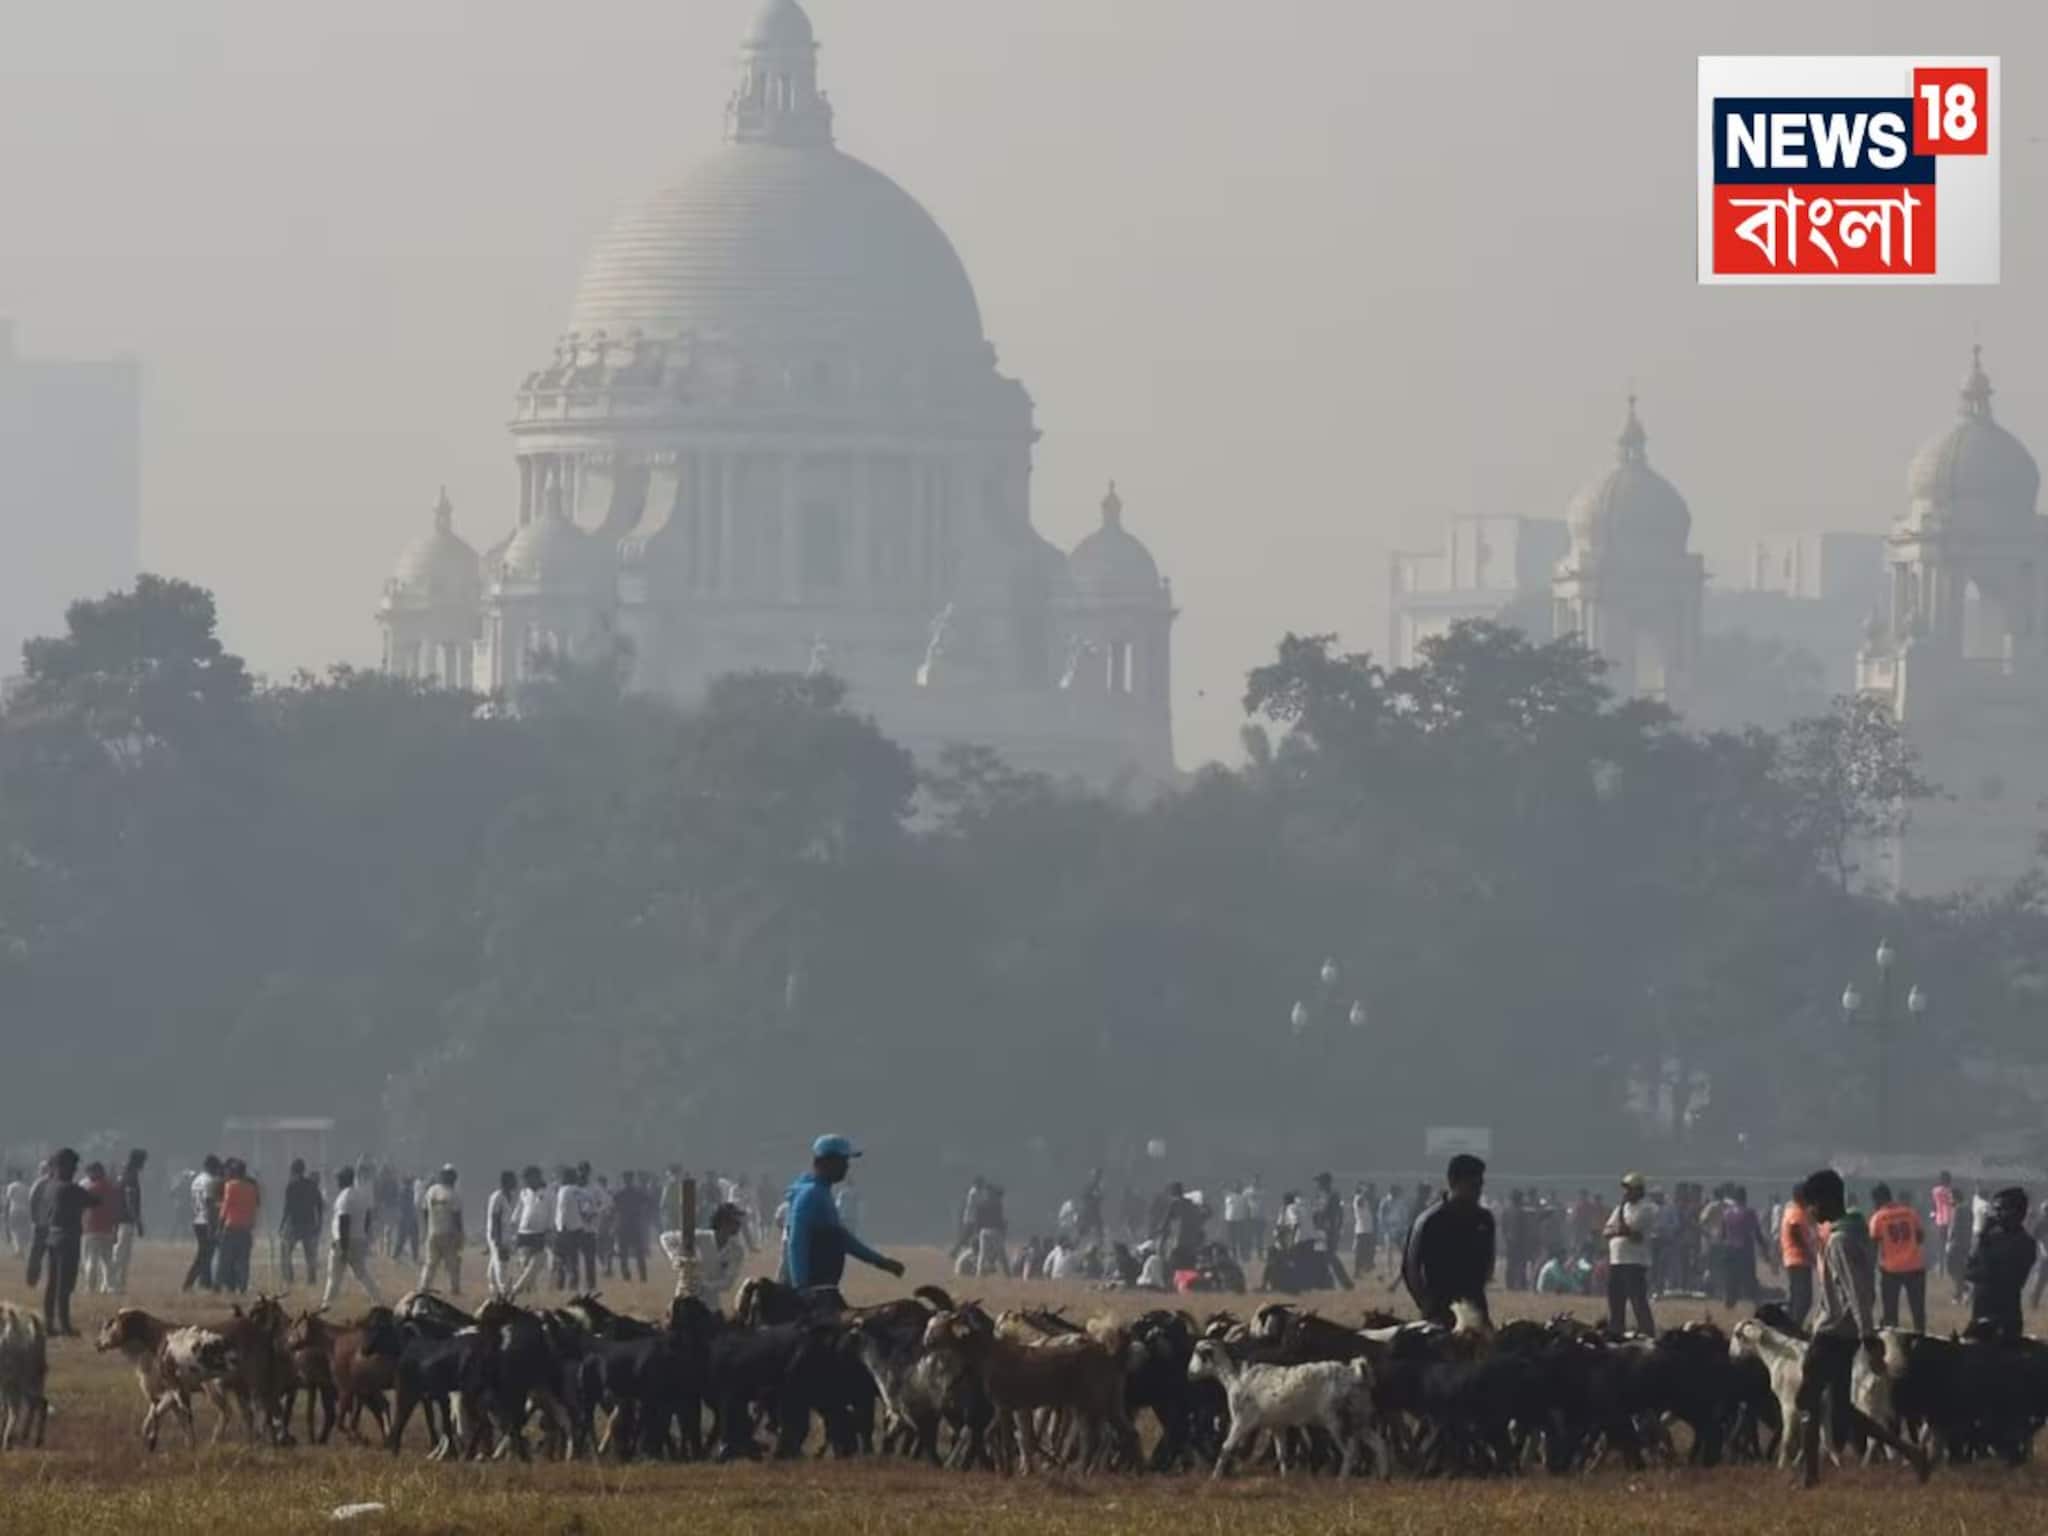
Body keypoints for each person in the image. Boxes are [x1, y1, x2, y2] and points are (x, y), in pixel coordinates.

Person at [1794, 1168, 1930, 1487]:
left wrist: (1868, 1335)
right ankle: (1911, 1453)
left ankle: (1809, 1475)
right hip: (1847, 1333)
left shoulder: (1839, 1241)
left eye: (1812, 1204)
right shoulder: (1857, 1231)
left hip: (1832, 1331)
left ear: (1826, 1201)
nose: (1810, 1211)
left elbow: (1855, 1291)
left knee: (1806, 1399)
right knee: (1841, 1407)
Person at [783, 1135, 905, 1292]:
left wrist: (881, 1262)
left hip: (821, 1286)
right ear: (826, 1162)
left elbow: (841, 1237)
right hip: (810, 1290)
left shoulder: (822, 1192)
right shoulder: (811, 1195)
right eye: (842, 1161)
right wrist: (801, 1287)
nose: (847, 1166)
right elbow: (797, 1240)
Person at [1402, 1154, 1495, 1325]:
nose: (1478, 1190)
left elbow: (1489, 1263)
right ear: (1454, 1182)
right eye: (1473, 1185)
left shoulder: (1485, 1220)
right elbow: (1411, 1268)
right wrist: (1427, 1305)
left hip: (1475, 1310)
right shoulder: (1430, 1221)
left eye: (1480, 1185)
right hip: (1438, 1312)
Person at [1966, 1186, 2038, 1341]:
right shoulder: (1990, 1238)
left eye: (2000, 1209)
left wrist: (1984, 1242)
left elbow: (2004, 1279)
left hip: (2005, 1320)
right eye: (1995, 1209)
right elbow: (1969, 1271)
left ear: (2017, 1212)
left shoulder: (2025, 1244)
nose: (1996, 1214)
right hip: (1981, 1314)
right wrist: (1982, 1237)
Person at [41, 1148, 97, 1335]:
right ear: (64, 1166)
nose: (74, 1170)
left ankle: (49, 1323)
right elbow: (94, 1200)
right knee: (65, 1285)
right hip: (68, 1239)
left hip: (52, 1237)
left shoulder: (49, 1186)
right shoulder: (70, 1189)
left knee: (52, 1283)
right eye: (73, 1166)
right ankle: (64, 1325)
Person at [662, 1200, 748, 1309]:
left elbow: (727, 1283)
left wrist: (704, 1287)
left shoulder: (737, 1251)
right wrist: (678, 1258)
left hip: (710, 1303)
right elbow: (666, 1238)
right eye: (733, 1221)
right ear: (722, 1221)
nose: (738, 1225)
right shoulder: (701, 1237)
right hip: (685, 1296)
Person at [322, 1165, 386, 1307]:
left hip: (343, 1240)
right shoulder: (360, 1195)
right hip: (358, 1238)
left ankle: (326, 1305)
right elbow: (368, 1217)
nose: (336, 1181)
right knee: (362, 1273)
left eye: (338, 1178)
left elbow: (344, 1221)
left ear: (343, 1179)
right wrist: (365, 1235)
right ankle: (378, 1299)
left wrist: (343, 1247)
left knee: (334, 1276)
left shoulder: (344, 1197)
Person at [1870, 1182, 1928, 1332]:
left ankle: (1894, 1340)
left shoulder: (1878, 1218)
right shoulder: (1910, 1212)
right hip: (1915, 1266)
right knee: (1918, 1311)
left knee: (1890, 1313)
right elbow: (1921, 1237)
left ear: (1877, 1200)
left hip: (1891, 1270)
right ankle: (1921, 1337)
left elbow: (1873, 1245)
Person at [1604, 1172, 1656, 1336]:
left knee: (1637, 1299)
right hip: (1617, 1260)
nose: (1626, 1193)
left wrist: (1619, 1221)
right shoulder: (1621, 1208)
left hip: (1634, 1261)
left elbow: (1630, 1231)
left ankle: (1647, 1331)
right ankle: (1616, 1330)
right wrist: (1618, 1229)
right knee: (1615, 1299)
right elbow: (1606, 1231)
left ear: (1639, 1190)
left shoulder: (1646, 1208)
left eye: (1629, 1189)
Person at [1718, 1187, 1771, 1308]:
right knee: (1749, 1277)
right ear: (1745, 1198)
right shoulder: (1749, 1213)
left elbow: (1722, 1234)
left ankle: (1730, 1302)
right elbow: (1757, 1232)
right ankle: (1756, 1301)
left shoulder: (1727, 1213)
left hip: (1730, 1249)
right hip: (1744, 1249)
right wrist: (1764, 1248)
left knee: (1731, 1277)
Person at [215, 1159, 260, 1294]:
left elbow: (225, 1206)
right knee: (243, 1261)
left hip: (231, 1227)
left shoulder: (230, 1186)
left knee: (224, 1260)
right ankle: (242, 1287)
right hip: (246, 1229)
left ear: (234, 1172)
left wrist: (219, 1226)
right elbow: (255, 1206)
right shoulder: (251, 1188)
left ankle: (218, 1286)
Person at [419, 1165, 465, 1294]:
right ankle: (454, 1288)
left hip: (432, 1232)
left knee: (430, 1262)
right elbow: (456, 1217)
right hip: (448, 1233)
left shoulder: (432, 1191)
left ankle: (424, 1286)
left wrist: (427, 1227)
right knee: (452, 1263)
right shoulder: (454, 1194)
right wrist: (460, 1234)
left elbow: (424, 1210)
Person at [1779, 1179, 1818, 1328]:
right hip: (1798, 1259)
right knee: (1803, 1300)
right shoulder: (1795, 1212)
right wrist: (1809, 1252)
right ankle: (1793, 1327)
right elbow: (1796, 1232)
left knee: (1798, 1299)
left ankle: (1791, 1326)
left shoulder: (1799, 1211)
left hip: (1798, 1259)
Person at [280, 1160, 324, 1288]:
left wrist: (282, 1224)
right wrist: (319, 1223)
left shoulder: (291, 1186)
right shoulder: (312, 1185)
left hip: (294, 1224)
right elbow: (319, 1205)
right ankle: (311, 1279)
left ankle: (289, 1278)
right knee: (310, 1255)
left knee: (286, 1253)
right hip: (309, 1223)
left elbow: (287, 1208)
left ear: (293, 1171)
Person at [78, 1160, 120, 1294]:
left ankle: (90, 1287)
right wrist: (115, 1228)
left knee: (91, 1259)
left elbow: (83, 1210)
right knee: (108, 1260)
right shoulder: (112, 1189)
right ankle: (110, 1286)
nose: (88, 1176)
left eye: (89, 1173)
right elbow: (115, 1210)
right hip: (107, 1229)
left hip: (91, 1229)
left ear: (96, 1172)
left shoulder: (90, 1189)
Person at [182, 1155, 222, 1293]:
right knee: (204, 1255)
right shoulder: (208, 1181)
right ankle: (189, 1283)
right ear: (212, 1167)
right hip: (206, 1221)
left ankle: (206, 1283)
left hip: (197, 1219)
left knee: (207, 1254)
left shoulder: (196, 1180)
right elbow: (209, 1203)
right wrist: (212, 1224)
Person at [112, 1149, 148, 1292]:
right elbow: (130, 1201)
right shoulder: (131, 1176)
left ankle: (117, 1285)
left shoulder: (122, 1173)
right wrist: (138, 1221)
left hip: (119, 1219)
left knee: (120, 1254)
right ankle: (114, 1285)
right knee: (121, 1254)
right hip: (126, 1220)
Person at [1311, 1173, 1352, 1288]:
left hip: (1329, 1230)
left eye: (1318, 1182)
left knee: (1330, 1256)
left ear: (1324, 1183)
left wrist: (1336, 1228)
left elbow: (1337, 1214)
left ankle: (1345, 1283)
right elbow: (1317, 1212)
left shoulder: (1332, 1196)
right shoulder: (1320, 1196)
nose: (1316, 1185)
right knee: (1322, 1256)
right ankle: (1325, 1282)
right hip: (1320, 1230)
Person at [485, 1169, 519, 1295]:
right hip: (497, 1235)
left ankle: (494, 1288)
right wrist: (497, 1240)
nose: (515, 1182)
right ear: (506, 1182)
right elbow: (495, 1218)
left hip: (505, 1235)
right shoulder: (497, 1197)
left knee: (494, 1265)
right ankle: (503, 1290)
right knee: (501, 1263)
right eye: (513, 1180)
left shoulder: (509, 1196)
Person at [25, 1159, 54, 1289]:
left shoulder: (60, 1183)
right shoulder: (41, 1183)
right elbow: (32, 1201)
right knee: (36, 1254)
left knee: (53, 1256)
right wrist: (34, 1219)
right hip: (41, 1224)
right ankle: (32, 1280)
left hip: (54, 1225)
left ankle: (51, 1281)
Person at [1352, 1181, 1377, 1279]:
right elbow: (1361, 1202)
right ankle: (1357, 1272)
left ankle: (1365, 1269)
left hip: (1368, 1228)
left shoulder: (1364, 1199)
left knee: (1368, 1252)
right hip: (1362, 1229)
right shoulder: (1358, 1198)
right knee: (1360, 1253)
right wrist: (1365, 1192)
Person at [2, 1168, 27, 1256]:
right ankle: (21, 1249)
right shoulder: (25, 1187)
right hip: (24, 1210)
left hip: (14, 1209)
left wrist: (5, 1212)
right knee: (22, 1230)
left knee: (14, 1230)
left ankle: (18, 1250)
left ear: (15, 1177)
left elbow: (8, 1200)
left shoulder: (12, 1186)